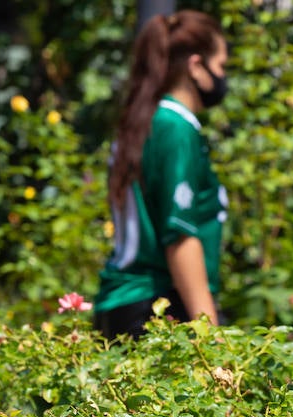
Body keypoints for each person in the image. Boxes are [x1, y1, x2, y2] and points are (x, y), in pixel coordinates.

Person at [93, 10, 230, 340]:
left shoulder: (144, 121)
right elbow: (180, 236)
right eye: (222, 65)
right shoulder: (176, 127)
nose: (224, 76)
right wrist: (209, 335)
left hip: (125, 306)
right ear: (197, 66)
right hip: (157, 310)